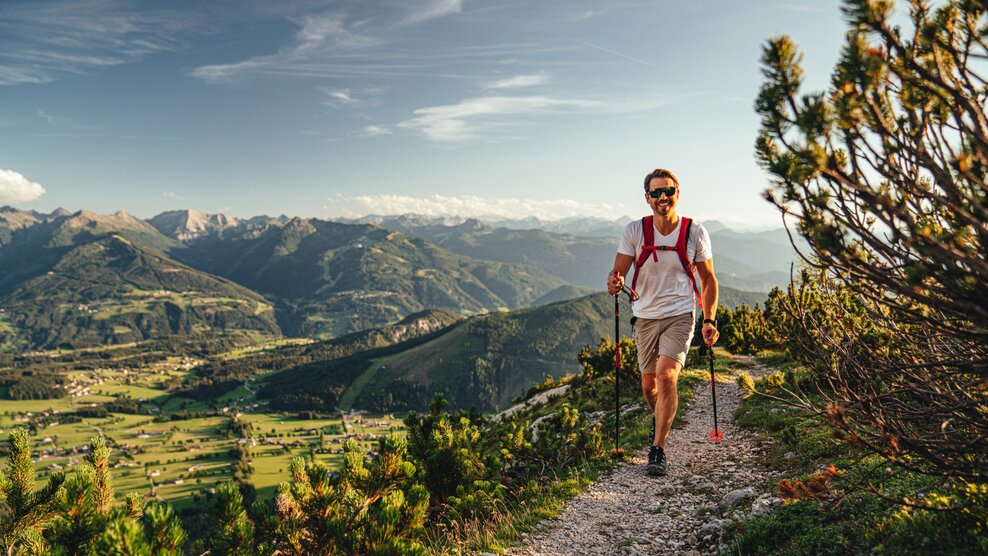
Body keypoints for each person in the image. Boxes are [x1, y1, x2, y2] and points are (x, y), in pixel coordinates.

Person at [606, 168, 720, 476]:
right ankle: (659, 416)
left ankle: (658, 449)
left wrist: (709, 319)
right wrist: (614, 283)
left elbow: (708, 280)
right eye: (656, 193)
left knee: (667, 377)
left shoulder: (694, 232)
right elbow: (618, 273)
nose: (662, 197)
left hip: (680, 314)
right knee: (648, 384)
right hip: (644, 315)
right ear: (647, 199)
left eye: (668, 191)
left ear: (677, 193)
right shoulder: (635, 231)